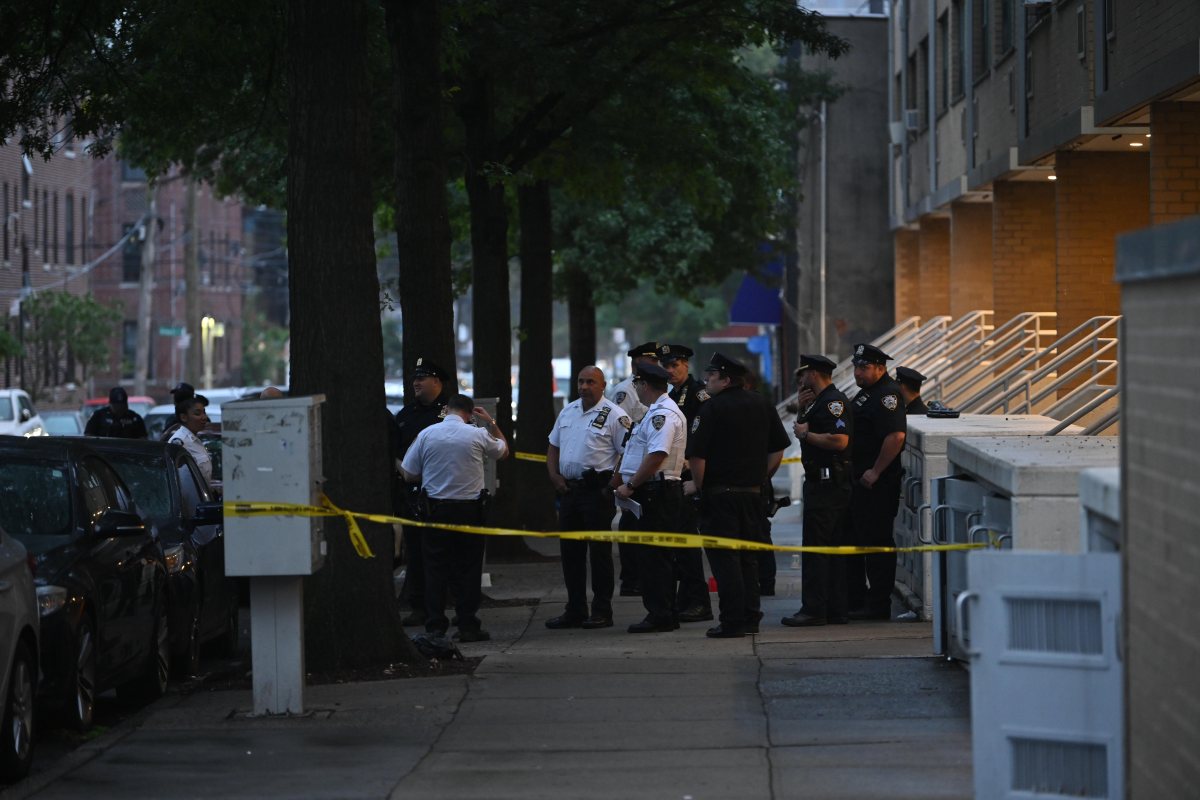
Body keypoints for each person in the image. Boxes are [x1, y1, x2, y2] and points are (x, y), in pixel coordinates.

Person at [686, 353, 790, 638]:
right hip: (753, 495)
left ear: (726, 380)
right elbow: (778, 448)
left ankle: (732, 621)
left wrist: (698, 485)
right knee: (748, 559)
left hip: (720, 497)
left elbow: (697, 455)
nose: (707, 380)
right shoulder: (762, 403)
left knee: (725, 560)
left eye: (712, 376)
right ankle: (750, 617)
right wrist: (761, 477)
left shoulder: (710, 409)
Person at [400, 394, 508, 643]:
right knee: (468, 569)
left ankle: (435, 625)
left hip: (435, 511)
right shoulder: (477, 434)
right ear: (470, 414)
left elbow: (408, 473)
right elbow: (503, 452)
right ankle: (468, 625)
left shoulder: (427, 434)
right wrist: (491, 423)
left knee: (435, 569)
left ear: (447, 410)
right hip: (469, 511)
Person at [544, 366, 631, 630]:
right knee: (571, 553)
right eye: (581, 381)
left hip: (597, 491)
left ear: (603, 385)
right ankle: (575, 609)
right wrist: (554, 476)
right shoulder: (568, 411)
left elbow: (628, 453)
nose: (584, 386)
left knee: (599, 554)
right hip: (569, 491)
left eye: (590, 382)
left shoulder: (615, 415)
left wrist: (612, 485)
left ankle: (602, 611)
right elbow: (553, 446)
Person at [610, 362, 687, 634]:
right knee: (651, 556)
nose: (637, 389)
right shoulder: (655, 412)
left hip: (657, 492)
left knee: (657, 557)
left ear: (644, 385)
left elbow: (657, 455)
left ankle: (661, 614)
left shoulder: (662, 415)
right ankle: (661, 611)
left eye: (638, 384)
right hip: (652, 492)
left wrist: (631, 484)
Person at [782, 355, 854, 627]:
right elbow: (806, 425)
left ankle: (815, 609)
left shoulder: (833, 402)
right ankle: (833, 609)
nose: (802, 379)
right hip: (821, 483)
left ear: (814, 373)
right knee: (826, 549)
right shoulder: (816, 402)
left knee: (818, 550)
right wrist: (801, 410)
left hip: (829, 486)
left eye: (805, 373)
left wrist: (806, 435)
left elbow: (839, 440)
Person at [844, 343, 907, 620]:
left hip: (877, 484)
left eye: (864, 367)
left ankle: (879, 604)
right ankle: (859, 599)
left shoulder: (887, 396)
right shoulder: (867, 393)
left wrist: (876, 471)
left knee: (877, 543)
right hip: (861, 482)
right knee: (860, 539)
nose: (858, 372)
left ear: (881, 368)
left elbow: (895, 437)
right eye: (856, 367)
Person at [394, 357, 452, 626]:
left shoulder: (451, 414)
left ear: (437, 382)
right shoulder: (405, 416)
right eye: (415, 378)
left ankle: (439, 606)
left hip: (443, 495)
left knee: (440, 556)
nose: (416, 382)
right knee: (415, 555)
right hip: (412, 496)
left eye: (423, 377)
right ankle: (419, 606)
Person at [659, 343, 712, 623]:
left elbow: (704, 434)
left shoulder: (697, 394)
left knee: (688, 544)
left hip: (692, 475)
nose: (670, 371)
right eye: (665, 366)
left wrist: (694, 463)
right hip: (677, 476)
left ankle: (698, 601)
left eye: (674, 365)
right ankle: (687, 599)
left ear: (686, 365)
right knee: (680, 543)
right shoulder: (673, 394)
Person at [608, 341, 660, 597]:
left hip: (649, 467)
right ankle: (631, 579)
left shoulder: (658, 389)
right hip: (633, 466)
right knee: (631, 523)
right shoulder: (626, 391)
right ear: (637, 362)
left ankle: (642, 576)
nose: (656, 365)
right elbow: (623, 433)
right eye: (651, 361)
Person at [168, 395, 213, 484]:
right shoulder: (180, 441)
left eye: (204, 412)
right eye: (197, 414)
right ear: (184, 417)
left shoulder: (195, 439)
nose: (204, 417)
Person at [84, 387, 148, 439]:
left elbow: (143, 439)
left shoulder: (135, 418)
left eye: (122, 405)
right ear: (110, 404)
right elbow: (88, 436)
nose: (120, 408)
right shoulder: (99, 416)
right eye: (116, 406)